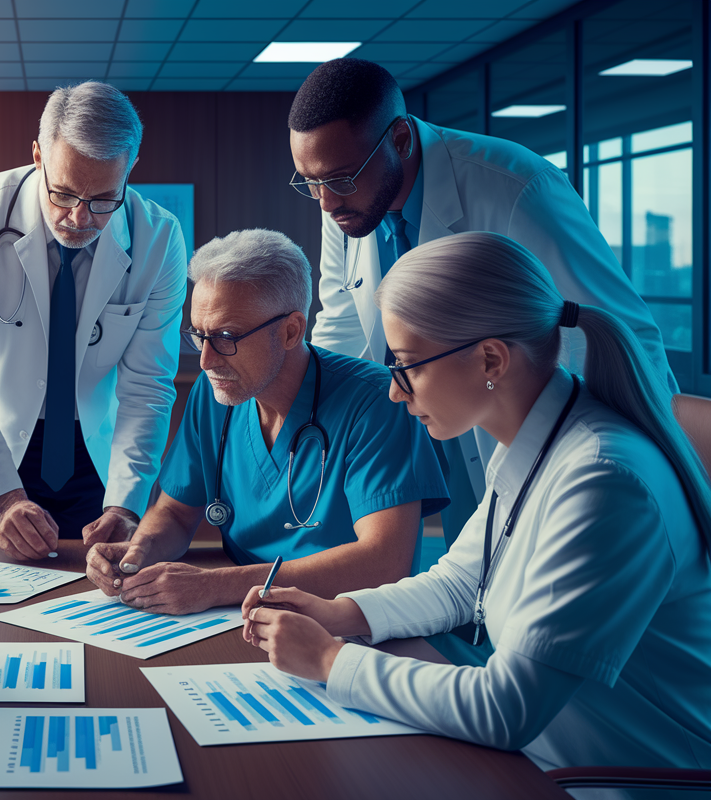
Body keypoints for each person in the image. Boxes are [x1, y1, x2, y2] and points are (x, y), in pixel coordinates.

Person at [241, 232, 711, 775]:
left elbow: (507, 708)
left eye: (407, 366)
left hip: (622, 782)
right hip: (543, 759)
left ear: (490, 359)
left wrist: (328, 659)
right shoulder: (543, 441)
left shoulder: (602, 481)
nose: (395, 392)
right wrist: (340, 614)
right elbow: (463, 583)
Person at [288, 57, 676, 547]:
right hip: (446, 421)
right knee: (471, 587)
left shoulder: (518, 191)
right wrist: (304, 414)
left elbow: (617, 332)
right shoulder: (347, 202)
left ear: (400, 140)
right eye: (309, 181)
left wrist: (621, 472)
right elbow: (344, 325)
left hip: (552, 446)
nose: (323, 201)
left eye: (338, 179)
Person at [85, 229, 448, 615]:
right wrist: (141, 550)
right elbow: (175, 512)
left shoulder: (374, 401)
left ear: (291, 330)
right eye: (199, 335)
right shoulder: (215, 395)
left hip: (345, 621)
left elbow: (383, 563)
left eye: (226, 336)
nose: (206, 360)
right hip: (242, 616)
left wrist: (215, 585)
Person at [0, 81, 187, 560]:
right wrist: (4, 496)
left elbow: (148, 385)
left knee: (97, 597)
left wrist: (126, 505)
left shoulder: (160, 238)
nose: (79, 218)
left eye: (104, 199)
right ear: (38, 157)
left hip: (92, 456)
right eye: (62, 194)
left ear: (130, 170)